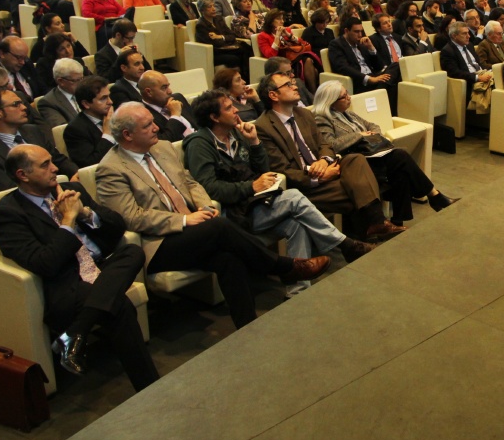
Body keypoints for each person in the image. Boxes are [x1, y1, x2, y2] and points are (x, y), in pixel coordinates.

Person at [95, 103, 327, 328]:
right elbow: (131, 217)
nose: (157, 127)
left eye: (153, 122)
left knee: (228, 258)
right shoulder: (111, 169)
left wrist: (205, 206)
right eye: (147, 125)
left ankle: (248, 326)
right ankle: (283, 266)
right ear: (127, 135)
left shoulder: (162, 148)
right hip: (158, 244)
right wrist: (184, 220)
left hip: (194, 230)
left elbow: (189, 182)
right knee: (220, 227)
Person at [0, 144, 158, 390]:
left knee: (132, 252)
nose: (55, 168)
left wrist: (85, 213)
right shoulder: (9, 214)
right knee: (118, 305)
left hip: (101, 269)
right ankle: (150, 386)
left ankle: (75, 332)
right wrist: (68, 221)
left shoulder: (72, 190)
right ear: (23, 175)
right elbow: (45, 263)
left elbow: (118, 226)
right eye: (45, 165)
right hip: (68, 283)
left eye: (52, 161)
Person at [182, 90, 375, 291]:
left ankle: (298, 292)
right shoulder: (200, 144)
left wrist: (254, 143)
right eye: (229, 108)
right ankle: (345, 244)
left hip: (254, 203)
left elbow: (263, 170)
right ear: (214, 117)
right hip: (232, 214)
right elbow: (209, 188)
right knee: (294, 197)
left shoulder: (237, 134)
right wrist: (251, 186)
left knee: (296, 225)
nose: (236, 110)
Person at [254, 71, 406, 241]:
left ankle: (372, 228)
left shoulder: (303, 114)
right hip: (304, 184)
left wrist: (324, 160)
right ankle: (372, 228)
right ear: (273, 95)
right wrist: (318, 178)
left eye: (293, 82)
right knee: (359, 188)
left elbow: (324, 145)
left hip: (325, 168)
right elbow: (281, 170)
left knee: (356, 159)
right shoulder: (264, 127)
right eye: (288, 85)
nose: (295, 86)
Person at [311, 81, 457, 225]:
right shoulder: (322, 119)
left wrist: (373, 133)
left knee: (400, 169)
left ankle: (399, 221)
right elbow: (331, 145)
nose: (349, 97)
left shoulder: (348, 113)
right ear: (331, 102)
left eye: (347, 93)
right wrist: (359, 135)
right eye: (344, 97)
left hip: (371, 155)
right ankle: (434, 196)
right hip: (354, 164)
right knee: (400, 156)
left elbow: (372, 125)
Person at [0, 88, 79, 192]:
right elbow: (11, 188)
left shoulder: (33, 131)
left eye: (22, 103)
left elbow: (58, 160)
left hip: (61, 187)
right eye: (16, 104)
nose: (24, 107)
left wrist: (76, 174)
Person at [327, 17, 401, 108]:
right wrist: (369, 79)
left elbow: (379, 66)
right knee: (393, 86)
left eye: (361, 31)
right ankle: (382, 91)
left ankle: (381, 88)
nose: (360, 35)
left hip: (374, 76)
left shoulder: (361, 43)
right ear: (346, 31)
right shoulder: (336, 44)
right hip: (360, 80)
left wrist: (371, 48)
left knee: (397, 65)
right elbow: (343, 67)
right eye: (356, 32)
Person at [65, 76, 116, 168]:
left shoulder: (117, 116)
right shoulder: (75, 130)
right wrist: (107, 135)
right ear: (86, 104)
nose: (110, 102)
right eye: (103, 98)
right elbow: (90, 163)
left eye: (109, 96)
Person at [439, 19, 493, 102]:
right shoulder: (447, 51)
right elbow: (454, 72)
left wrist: (489, 71)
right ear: (454, 36)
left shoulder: (469, 45)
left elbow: (479, 63)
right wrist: (477, 78)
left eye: (468, 33)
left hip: (482, 74)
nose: (468, 36)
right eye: (464, 33)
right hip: (470, 81)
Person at [196, 0, 252, 75]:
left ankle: (247, 76)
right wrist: (226, 39)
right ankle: (244, 76)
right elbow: (215, 44)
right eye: (209, 7)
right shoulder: (201, 25)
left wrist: (220, 37)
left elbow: (232, 35)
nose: (213, 9)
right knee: (236, 57)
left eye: (213, 6)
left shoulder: (218, 19)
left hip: (227, 48)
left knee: (247, 48)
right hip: (215, 53)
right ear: (202, 10)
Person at [137, 70, 198, 141]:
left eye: (168, 86)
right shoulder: (143, 115)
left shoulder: (178, 98)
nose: (170, 91)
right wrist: (175, 115)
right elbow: (164, 142)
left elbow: (198, 124)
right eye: (164, 88)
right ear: (149, 92)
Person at [37, 57, 88, 128]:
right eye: (76, 80)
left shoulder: (88, 91)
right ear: (61, 81)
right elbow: (63, 129)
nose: (81, 83)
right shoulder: (48, 103)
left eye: (82, 78)